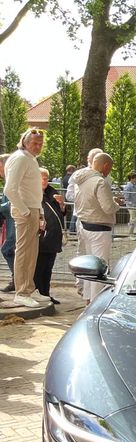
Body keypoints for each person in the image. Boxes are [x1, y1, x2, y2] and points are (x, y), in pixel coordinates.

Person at [2, 128, 46, 309]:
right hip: (26, 211)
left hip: (31, 209)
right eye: (35, 143)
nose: (38, 146)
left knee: (31, 253)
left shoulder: (29, 159)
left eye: (40, 144)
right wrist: (25, 211)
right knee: (24, 252)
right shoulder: (20, 158)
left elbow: (33, 190)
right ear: (25, 142)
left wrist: (39, 212)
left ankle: (27, 288)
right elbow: (9, 189)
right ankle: (21, 293)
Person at [73, 152, 119, 303]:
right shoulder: (99, 182)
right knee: (99, 266)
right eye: (110, 167)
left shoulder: (80, 180)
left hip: (85, 224)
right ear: (105, 165)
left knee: (89, 266)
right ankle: (96, 301)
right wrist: (116, 204)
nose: (109, 171)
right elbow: (108, 208)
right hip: (100, 227)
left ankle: (88, 297)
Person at [35, 167, 66, 305]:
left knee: (48, 268)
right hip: (41, 237)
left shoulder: (52, 193)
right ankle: (38, 292)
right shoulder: (33, 194)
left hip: (53, 238)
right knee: (39, 268)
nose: (44, 181)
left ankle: (46, 293)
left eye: (46, 178)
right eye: (41, 178)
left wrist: (62, 205)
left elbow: (61, 214)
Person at [0, 153, 16, 293]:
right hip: (12, 223)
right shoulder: (8, 180)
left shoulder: (12, 180)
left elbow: (11, 203)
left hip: (16, 223)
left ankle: (18, 279)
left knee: (7, 250)